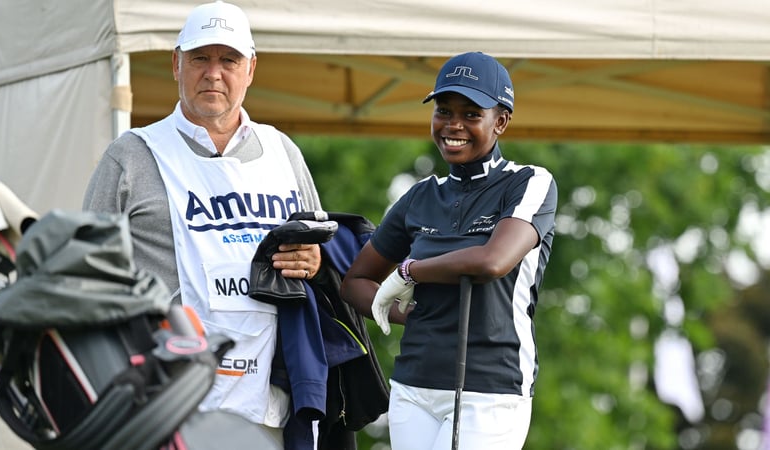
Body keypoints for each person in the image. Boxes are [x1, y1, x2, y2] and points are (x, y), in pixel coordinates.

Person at [83, 2, 324, 448]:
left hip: (269, 403)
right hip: (163, 399)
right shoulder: (131, 155)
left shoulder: (282, 151)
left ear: (250, 69)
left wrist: (313, 259)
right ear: (176, 64)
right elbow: (87, 276)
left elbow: (318, 255)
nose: (214, 73)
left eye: (229, 60)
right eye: (200, 58)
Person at [340, 52, 557, 450]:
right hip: (413, 386)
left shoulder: (529, 184)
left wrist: (410, 272)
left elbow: (492, 261)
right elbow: (355, 282)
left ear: (501, 121)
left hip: (490, 389)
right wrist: (399, 311)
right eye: (443, 111)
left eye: (471, 114)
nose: (453, 125)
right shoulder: (421, 196)